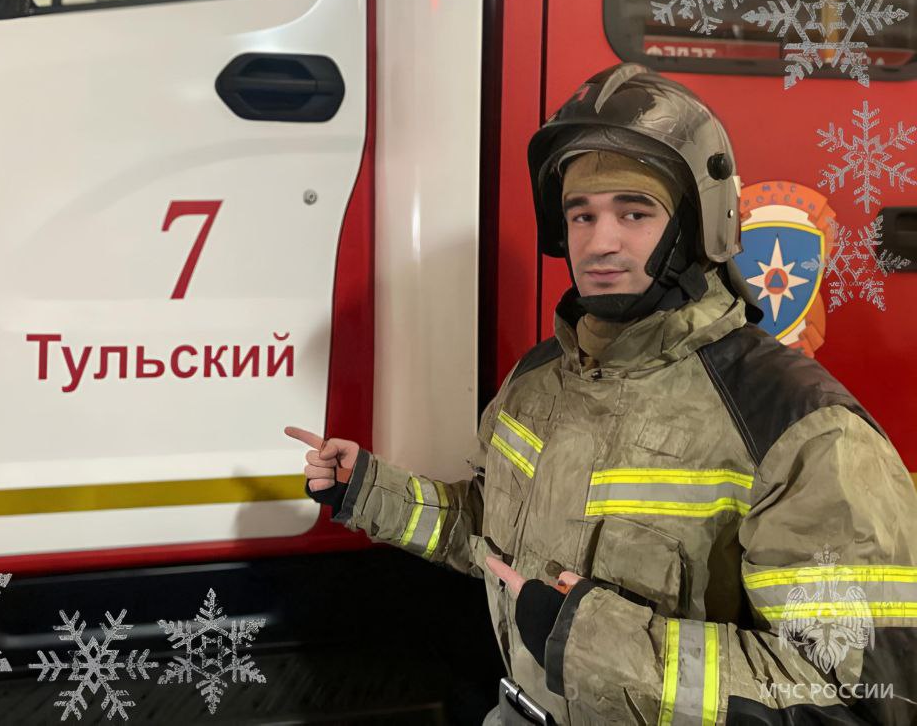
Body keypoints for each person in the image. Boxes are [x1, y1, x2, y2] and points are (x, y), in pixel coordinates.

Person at [285, 63, 917, 725]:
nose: (599, 242)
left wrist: (590, 640)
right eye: (581, 215)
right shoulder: (537, 379)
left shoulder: (799, 427)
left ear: (700, 224)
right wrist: (371, 490)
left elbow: (854, 694)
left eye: (633, 213)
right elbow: (492, 535)